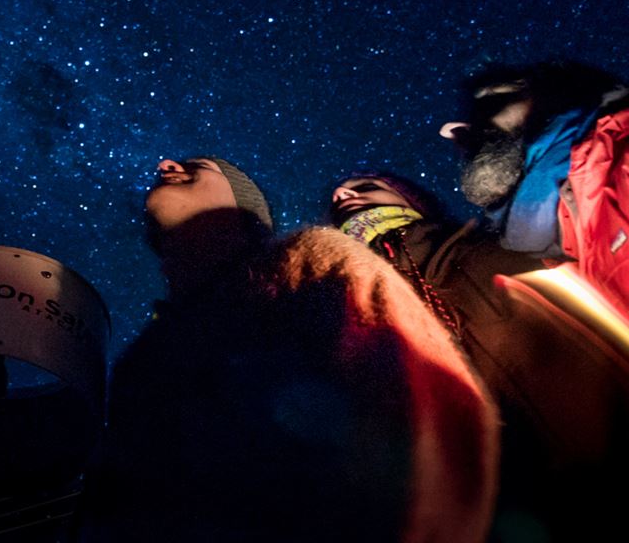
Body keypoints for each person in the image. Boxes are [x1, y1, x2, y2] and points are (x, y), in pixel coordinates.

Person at [75, 157, 499, 542]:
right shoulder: (144, 356)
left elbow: (425, 437)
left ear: (242, 204)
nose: (165, 164)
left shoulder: (310, 264)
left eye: (198, 166)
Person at [330, 172, 629, 541]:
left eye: (366, 187)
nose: (342, 193)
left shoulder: (502, 243)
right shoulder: (340, 305)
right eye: (338, 197)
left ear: (412, 199)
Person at [438, 58, 629, 310]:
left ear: (556, 96)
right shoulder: (526, 253)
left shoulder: (619, 158)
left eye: (492, 101)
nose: (463, 131)